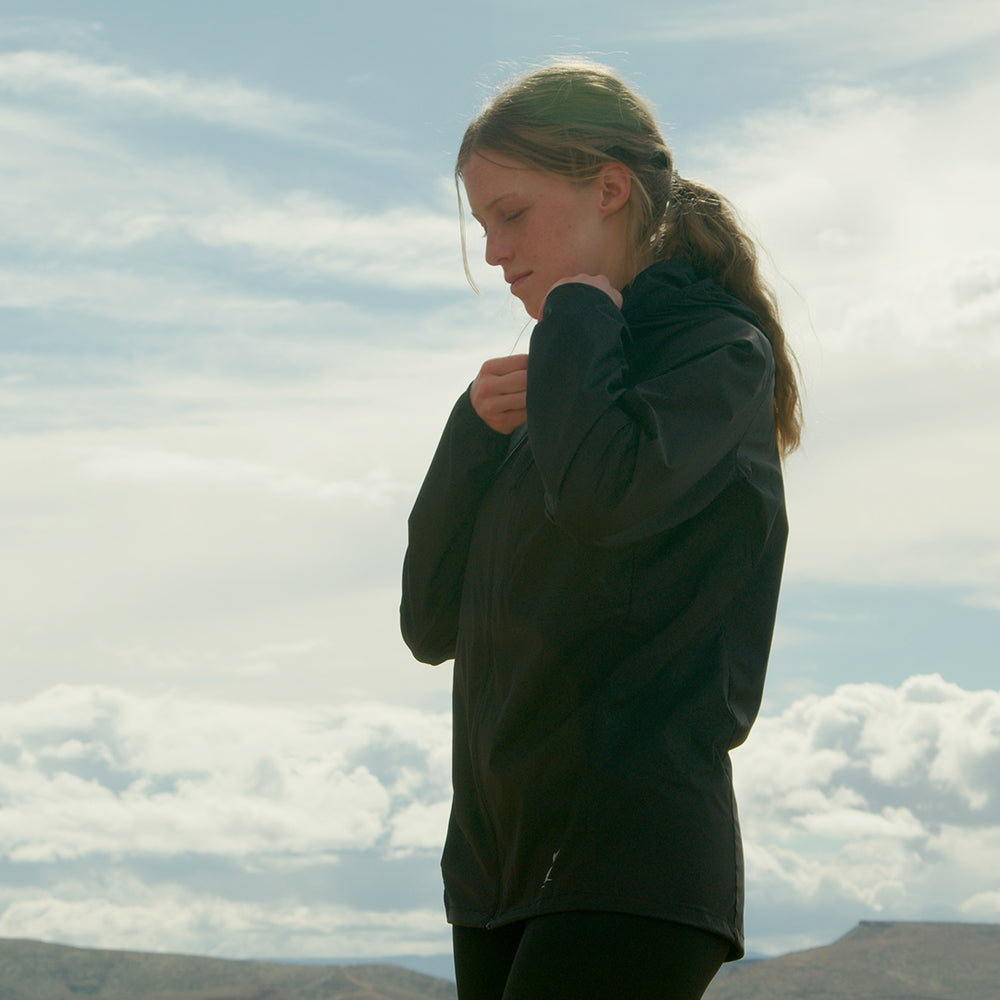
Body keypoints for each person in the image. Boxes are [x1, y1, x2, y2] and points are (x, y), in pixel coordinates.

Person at [400, 61, 801, 1000]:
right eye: (482, 226)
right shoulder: (558, 392)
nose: (495, 252)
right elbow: (429, 626)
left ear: (609, 189)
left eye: (512, 213)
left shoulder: (716, 355)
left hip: (633, 865)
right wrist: (470, 430)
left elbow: (603, 500)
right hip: (496, 878)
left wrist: (578, 310)